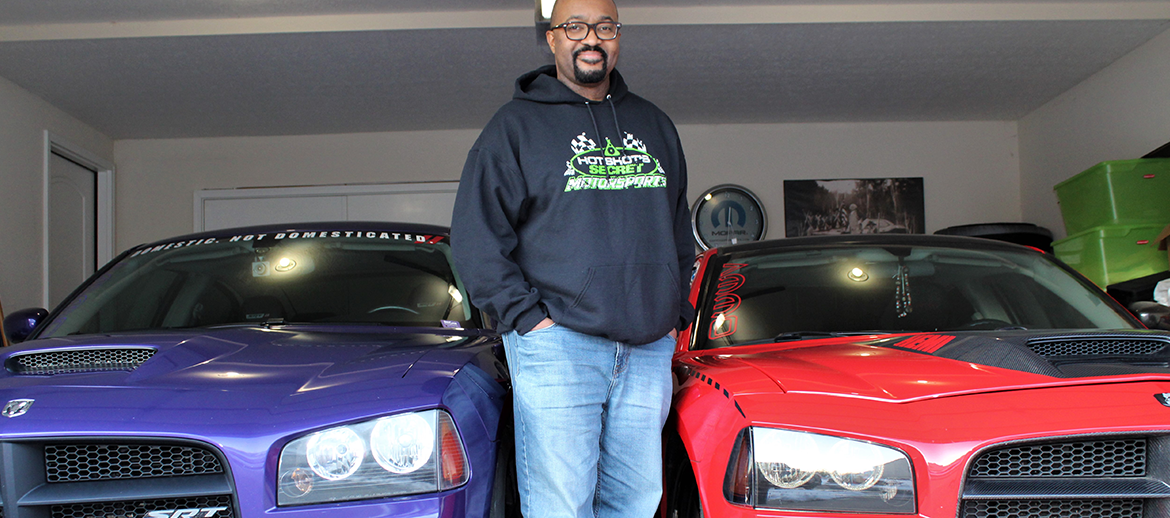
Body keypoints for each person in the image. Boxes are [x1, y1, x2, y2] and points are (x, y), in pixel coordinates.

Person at [450, 0, 694, 515]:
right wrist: (526, 319)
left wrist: (674, 315)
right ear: (553, 39)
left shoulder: (654, 124)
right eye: (576, 27)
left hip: (647, 349)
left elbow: (676, 230)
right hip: (557, 345)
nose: (591, 38)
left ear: (618, 37)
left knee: (635, 500)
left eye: (605, 27)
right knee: (562, 502)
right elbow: (478, 234)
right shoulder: (513, 127)